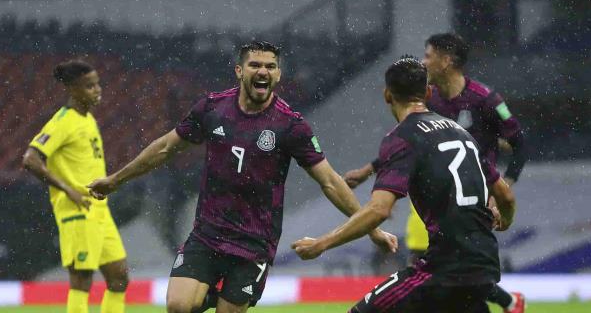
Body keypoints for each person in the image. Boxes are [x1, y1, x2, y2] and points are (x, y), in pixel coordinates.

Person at [87, 41, 397, 313]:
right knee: (178, 306)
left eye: (270, 67)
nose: (263, 71)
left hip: (254, 243)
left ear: (278, 75)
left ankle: (214, 294)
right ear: (239, 70)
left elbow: (329, 181)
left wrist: (370, 229)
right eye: (255, 65)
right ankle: (206, 291)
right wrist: (116, 180)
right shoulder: (212, 108)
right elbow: (166, 147)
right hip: (208, 233)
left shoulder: (291, 125)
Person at [292, 56, 516, 312]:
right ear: (429, 92)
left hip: (442, 269)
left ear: (387, 95)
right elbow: (505, 196)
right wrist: (505, 219)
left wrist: (322, 243)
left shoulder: (403, 137)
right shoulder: (460, 132)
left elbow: (379, 210)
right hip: (484, 267)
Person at [344, 33, 527, 312]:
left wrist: (502, 188)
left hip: (476, 196)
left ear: (447, 60)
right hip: (437, 192)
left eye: (428, 55)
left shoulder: (487, 100)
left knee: (446, 266)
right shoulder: (432, 102)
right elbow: (413, 144)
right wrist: (369, 170)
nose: (423, 61)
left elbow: (520, 144)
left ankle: (508, 301)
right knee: (447, 266)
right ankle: (507, 301)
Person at [22, 60, 129, 313]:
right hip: (77, 210)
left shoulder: (88, 119)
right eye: (89, 86)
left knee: (119, 278)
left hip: (99, 211)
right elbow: (31, 159)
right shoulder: (63, 122)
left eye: (97, 84)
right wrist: (67, 189)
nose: (97, 90)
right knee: (81, 281)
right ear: (72, 89)